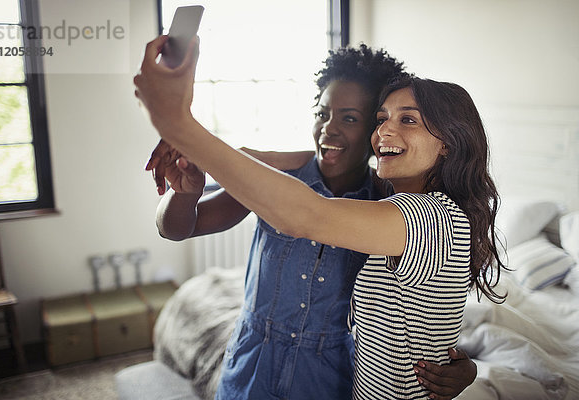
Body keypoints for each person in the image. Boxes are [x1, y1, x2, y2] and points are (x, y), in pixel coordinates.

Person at [139, 37, 480, 400]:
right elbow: (175, 228)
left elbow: (304, 215)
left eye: (351, 118)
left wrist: (181, 125)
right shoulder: (280, 180)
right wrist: (188, 192)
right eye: (322, 113)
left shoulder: (389, 204)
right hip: (254, 362)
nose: (329, 128)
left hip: (329, 375)